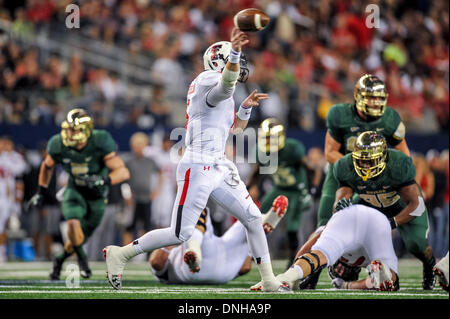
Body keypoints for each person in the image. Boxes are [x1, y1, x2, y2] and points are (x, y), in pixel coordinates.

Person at [103, 27, 287, 292]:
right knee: (180, 233)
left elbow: (234, 129)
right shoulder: (207, 80)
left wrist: (245, 107)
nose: (240, 63)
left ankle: (269, 280)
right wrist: (234, 50)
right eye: (234, 58)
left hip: (219, 163)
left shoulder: (221, 87)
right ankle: (121, 254)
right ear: (219, 61)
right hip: (198, 163)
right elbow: (224, 86)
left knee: (253, 218)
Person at [304, 74, 411, 289]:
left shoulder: (390, 118)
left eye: (378, 98)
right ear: (358, 96)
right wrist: (357, 165)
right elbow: (329, 152)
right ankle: (308, 273)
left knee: (373, 224)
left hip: (373, 180)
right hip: (341, 176)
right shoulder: (340, 114)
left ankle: (372, 266)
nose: (374, 102)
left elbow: (404, 156)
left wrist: (381, 173)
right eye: (370, 97)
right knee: (324, 223)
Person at [27, 108, 130, 279]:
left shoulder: (100, 140)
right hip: (74, 190)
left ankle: (59, 260)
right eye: (67, 128)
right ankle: (83, 260)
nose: (69, 133)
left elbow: (123, 171)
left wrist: (103, 180)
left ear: (86, 130)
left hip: (97, 196)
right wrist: (41, 191)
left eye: (73, 129)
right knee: (73, 224)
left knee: (78, 239)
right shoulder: (58, 143)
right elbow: (47, 166)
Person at [331, 131, 436, 290]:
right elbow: (340, 200)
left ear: (382, 157)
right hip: (370, 204)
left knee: (416, 245)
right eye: (361, 160)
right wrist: (340, 207)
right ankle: (357, 266)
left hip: (400, 205)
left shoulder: (398, 164)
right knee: (349, 230)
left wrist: (391, 223)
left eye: (370, 160)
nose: (365, 165)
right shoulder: (345, 166)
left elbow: (417, 204)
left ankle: (429, 266)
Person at [258, 203, 399, 292]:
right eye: (341, 271)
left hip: (356, 218)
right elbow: (377, 280)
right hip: (377, 221)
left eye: (337, 270)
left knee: (320, 254)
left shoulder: (362, 261)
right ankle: (288, 277)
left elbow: (308, 249)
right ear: (354, 271)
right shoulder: (369, 263)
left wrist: (346, 286)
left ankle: (284, 278)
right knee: (389, 281)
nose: (340, 269)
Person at [149, 195, 288, 285]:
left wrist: (171, 242)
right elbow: (245, 267)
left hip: (196, 270)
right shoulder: (170, 268)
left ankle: (195, 248)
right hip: (224, 274)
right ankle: (261, 223)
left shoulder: (169, 273)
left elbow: (157, 261)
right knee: (195, 208)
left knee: (194, 225)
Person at [247, 118, 311, 267]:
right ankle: (250, 254)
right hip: (279, 188)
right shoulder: (260, 150)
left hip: (295, 190)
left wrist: (309, 190)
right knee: (257, 217)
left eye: (271, 137)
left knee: (292, 227)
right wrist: (249, 185)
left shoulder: (292, 149)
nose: (269, 140)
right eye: (266, 137)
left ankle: (293, 260)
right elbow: (258, 168)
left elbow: (309, 168)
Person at [122, 132, 162, 245]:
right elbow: (123, 180)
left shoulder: (150, 161)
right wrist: (127, 194)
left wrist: (157, 190)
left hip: (146, 198)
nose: (138, 147)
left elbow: (160, 174)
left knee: (146, 227)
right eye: (136, 144)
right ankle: (125, 252)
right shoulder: (128, 161)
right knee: (129, 226)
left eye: (141, 144)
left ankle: (141, 253)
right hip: (133, 199)